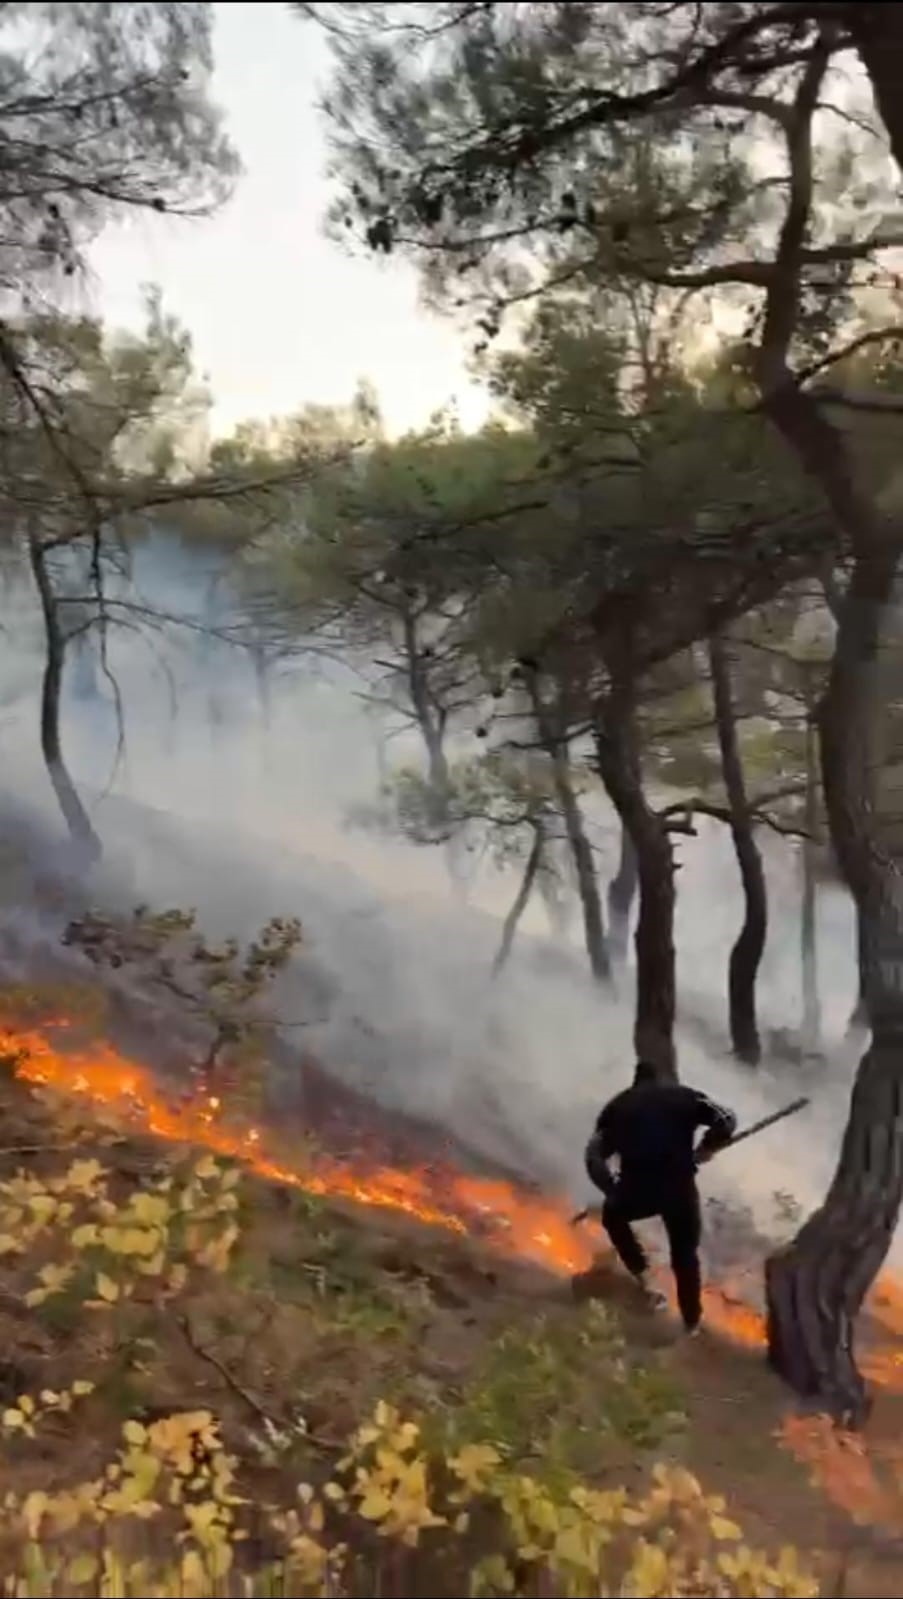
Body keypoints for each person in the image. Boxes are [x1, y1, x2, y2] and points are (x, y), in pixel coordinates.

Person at [584, 1062, 737, 1335]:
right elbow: (726, 1120)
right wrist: (706, 1148)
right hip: (679, 1187)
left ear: (635, 1082)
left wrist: (612, 1191)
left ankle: (643, 1275)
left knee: (613, 1216)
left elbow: (594, 1157)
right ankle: (691, 1322)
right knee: (685, 1255)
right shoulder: (684, 1096)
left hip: (638, 1188)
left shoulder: (618, 1107)